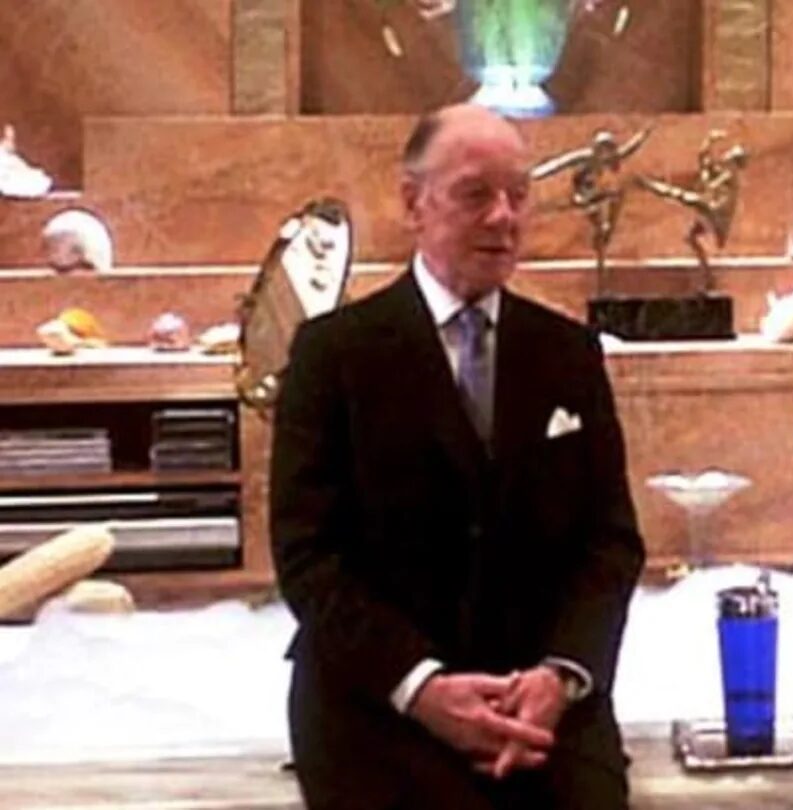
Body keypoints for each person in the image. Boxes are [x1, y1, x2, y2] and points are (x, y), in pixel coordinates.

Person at [269, 104, 645, 809]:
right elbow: (306, 557)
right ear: (413, 202)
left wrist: (560, 675)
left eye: (518, 196)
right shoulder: (333, 356)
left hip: (540, 708)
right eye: (476, 194)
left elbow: (611, 542)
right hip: (380, 704)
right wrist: (421, 687)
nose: (504, 217)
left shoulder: (568, 354)